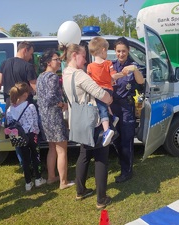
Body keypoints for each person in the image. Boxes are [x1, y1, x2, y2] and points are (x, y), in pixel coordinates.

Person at [60, 43, 113, 209]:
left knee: (84, 155)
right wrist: (109, 99)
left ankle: (80, 190)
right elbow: (99, 93)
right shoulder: (80, 75)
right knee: (101, 158)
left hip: (78, 121)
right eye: (83, 56)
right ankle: (101, 199)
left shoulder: (66, 73)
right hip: (92, 122)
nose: (85, 60)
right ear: (75, 55)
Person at [0, 41, 38, 167]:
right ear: (25, 50)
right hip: (25, 108)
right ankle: (32, 167)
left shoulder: (4, 63)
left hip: (10, 106)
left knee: (17, 138)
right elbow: (35, 88)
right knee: (30, 139)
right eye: (30, 54)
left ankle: (23, 165)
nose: (31, 57)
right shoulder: (28, 66)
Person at [37, 49, 74, 190]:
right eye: (56, 59)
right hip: (54, 116)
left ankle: (52, 177)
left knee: (52, 148)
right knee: (62, 150)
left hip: (45, 117)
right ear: (48, 62)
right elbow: (52, 97)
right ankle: (63, 182)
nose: (59, 62)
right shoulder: (52, 77)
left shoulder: (41, 76)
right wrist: (62, 104)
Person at [111, 37, 145, 183]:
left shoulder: (133, 66)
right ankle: (123, 163)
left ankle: (127, 171)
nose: (121, 54)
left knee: (127, 139)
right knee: (116, 139)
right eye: (118, 51)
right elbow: (109, 79)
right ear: (115, 51)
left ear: (128, 51)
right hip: (113, 107)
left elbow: (141, 81)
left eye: (124, 51)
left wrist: (135, 69)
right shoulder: (111, 66)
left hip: (126, 107)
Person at [5, 82, 46, 191]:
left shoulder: (9, 109)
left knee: (24, 160)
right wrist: (37, 133)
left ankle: (28, 182)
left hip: (19, 137)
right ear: (25, 95)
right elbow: (34, 122)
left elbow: (10, 124)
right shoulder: (30, 106)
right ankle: (38, 178)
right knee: (35, 156)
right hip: (32, 135)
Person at [87, 36, 127, 147]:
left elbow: (88, 81)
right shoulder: (108, 63)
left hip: (98, 91)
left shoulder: (90, 67)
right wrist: (123, 74)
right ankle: (112, 117)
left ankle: (106, 130)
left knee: (102, 108)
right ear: (103, 50)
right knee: (105, 105)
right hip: (109, 90)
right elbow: (113, 76)